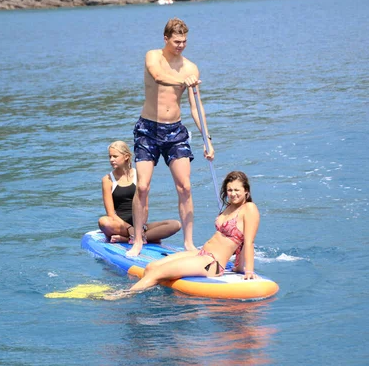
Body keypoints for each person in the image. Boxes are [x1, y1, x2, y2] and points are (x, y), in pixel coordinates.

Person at [127, 18, 215, 257]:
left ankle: (188, 243)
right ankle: (137, 240)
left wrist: (207, 139)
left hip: (175, 131)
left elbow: (196, 107)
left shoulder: (191, 68)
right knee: (143, 187)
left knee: (185, 187)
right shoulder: (153, 56)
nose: (181, 45)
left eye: (185, 41)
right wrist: (182, 81)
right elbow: (157, 76)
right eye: (177, 41)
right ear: (166, 38)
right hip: (148, 130)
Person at [108, 171, 260, 298]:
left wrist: (248, 271)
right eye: (229, 190)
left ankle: (124, 294)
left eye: (237, 190)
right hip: (201, 253)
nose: (232, 194)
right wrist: (237, 267)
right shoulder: (229, 207)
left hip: (212, 263)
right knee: (151, 267)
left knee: (158, 272)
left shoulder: (249, 209)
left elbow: (248, 242)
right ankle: (165, 299)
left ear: (246, 190)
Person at [98, 140, 181, 244]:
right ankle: (144, 237)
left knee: (175, 224)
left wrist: (140, 227)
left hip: (140, 224)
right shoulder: (107, 180)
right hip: (120, 225)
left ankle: (133, 238)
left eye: (115, 156)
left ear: (126, 156)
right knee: (103, 222)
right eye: (110, 157)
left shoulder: (139, 175)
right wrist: (129, 228)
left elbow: (145, 207)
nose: (111, 160)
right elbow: (111, 214)